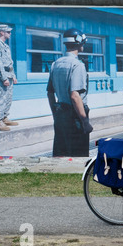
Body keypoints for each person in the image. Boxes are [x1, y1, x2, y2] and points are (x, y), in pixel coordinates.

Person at [47, 28, 93, 157]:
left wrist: (55, 114)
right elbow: (75, 96)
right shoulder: (77, 65)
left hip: (60, 113)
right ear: (79, 43)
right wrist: (85, 122)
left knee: (61, 153)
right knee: (78, 155)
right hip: (75, 116)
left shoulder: (55, 64)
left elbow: (50, 93)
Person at [0, 24, 18, 131]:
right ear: (2, 32)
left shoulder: (5, 45)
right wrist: (4, 78)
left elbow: (9, 63)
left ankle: (4, 118)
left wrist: (13, 76)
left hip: (8, 75)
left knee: (8, 98)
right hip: (1, 77)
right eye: (8, 32)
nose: (10, 34)